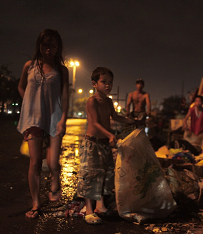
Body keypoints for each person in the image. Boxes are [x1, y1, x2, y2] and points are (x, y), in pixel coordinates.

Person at [17, 29, 69, 219]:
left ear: (58, 47)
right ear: (39, 45)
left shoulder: (62, 70)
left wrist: (64, 118)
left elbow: (65, 95)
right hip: (33, 119)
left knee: (53, 160)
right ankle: (36, 203)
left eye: (53, 46)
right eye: (45, 45)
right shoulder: (29, 66)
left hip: (55, 116)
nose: (48, 49)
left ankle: (56, 178)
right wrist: (28, 103)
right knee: (35, 162)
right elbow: (21, 86)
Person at [77, 67, 137, 225]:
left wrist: (130, 121)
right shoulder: (92, 101)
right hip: (92, 143)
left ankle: (100, 206)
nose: (108, 85)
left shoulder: (109, 101)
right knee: (91, 176)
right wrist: (111, 135)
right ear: (94, 84)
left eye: (110, 82)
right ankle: (89, 210)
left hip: (104, 145)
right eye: (104, 82)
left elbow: (115, 116)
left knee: (107, 175)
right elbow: (95, 123)